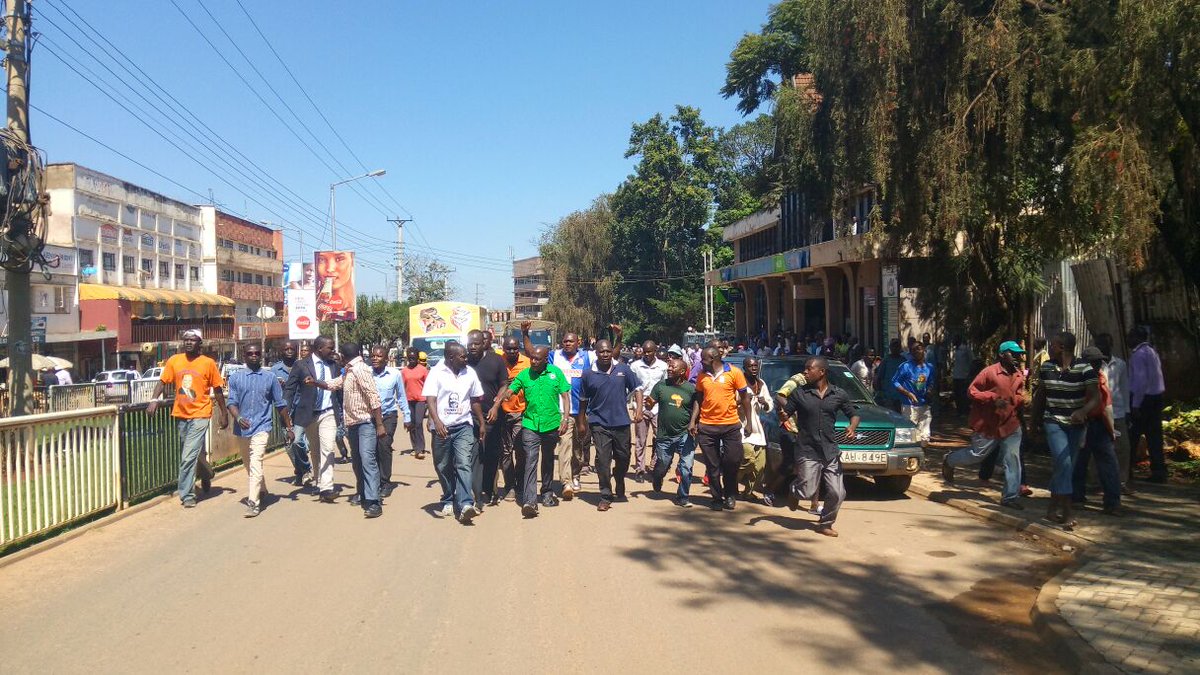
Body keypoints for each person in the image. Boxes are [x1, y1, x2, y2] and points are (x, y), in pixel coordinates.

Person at [527, 321, 622, 500]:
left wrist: (618, 338)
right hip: (561, 412)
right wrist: (525, 334)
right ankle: (566, 482)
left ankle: (576, 474)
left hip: (582, 412)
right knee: (564, 446)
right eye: (565, 341)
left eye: (571, 341)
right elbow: (533, 354)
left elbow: (611, 357)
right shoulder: (554, 356)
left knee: (579, 448)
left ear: (578, 343)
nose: (568, 344)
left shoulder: (587, 357)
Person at [146, 330, 229, 509]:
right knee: (192, 453)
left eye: (193, 340)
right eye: (186, 340)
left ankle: (187, 495)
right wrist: (154, 400)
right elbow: (162, 382)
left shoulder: (208, 363)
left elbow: (218, 389)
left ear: (200, 343)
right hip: (181, 414)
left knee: (187, 456)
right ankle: (206, 473)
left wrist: (224, 413)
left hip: (201, 413)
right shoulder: (174, 361)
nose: (189, 343)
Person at [780, 357, 861, 537]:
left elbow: (854, 414)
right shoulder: (800, 393)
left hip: (830, 450)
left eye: (809, 369)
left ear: (822, 372)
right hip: (807, 449)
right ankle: (794, 491)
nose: (805, 372)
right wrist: (782, 415)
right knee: (807, 490)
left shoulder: (838, 394)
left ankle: (825, 522)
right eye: (805, 369)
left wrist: (852, 427)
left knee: (838, 492)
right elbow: (787, 412)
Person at [941, 341, 1026, 509]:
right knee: (977, 454)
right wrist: (993, 397)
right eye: (1013, 353)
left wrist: (1016, 400)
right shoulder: (989, 372)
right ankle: (949, 460)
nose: (1018, 357)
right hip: (988, 424)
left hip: (1010, 424)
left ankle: (1010, 497)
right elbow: (972, 391)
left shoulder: (1018, 375)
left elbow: (1019, 395)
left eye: (1019, 354)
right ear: (1002, 354)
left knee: (1012, 459)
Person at [488, 345, 571, 517]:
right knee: (530, 460)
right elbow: (512, 389)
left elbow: (565, 396)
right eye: (531, 357)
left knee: (548, 459)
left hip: (551, 424)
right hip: (530, 424)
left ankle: (547, 492)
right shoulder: (525, 374)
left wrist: (565, 419)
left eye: (537, 359)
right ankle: (530, 501)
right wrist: (503, 397)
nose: (533, 361)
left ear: (546, 359)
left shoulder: (556, 373)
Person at [1032, 332, 1101, 530]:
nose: (1049, 348)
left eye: (1052, 344)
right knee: (1063, 463)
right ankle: (1068, 512)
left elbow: (1095, 397)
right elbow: (1041, 395)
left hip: (1076, 424)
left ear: (1061, 347)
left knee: (1065, 467)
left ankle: (1052, 508)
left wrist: (1083, 410)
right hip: (1053, 421)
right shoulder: (1047, 367)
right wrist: (1033, 422)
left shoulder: (1084, 368)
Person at [225, 344, 294, 518]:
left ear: (261, 355)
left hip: (262, 426)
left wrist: (288, 427)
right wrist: (238, 418)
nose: (254, 356)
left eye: (257, 353)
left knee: (256, 461)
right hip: (242, 428)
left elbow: (280, 404)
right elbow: (231, 402)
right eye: (250, 353)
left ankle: (253, 502)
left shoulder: (270, 378)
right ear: (244, 355)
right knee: (248, 464)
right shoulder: (235, 378)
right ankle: (262, 489)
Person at [422, 342, 486, 523]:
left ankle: (466, 503)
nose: (466, 359)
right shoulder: (436, 372)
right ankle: (448, 497)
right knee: (442, 466)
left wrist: (481, 422)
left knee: (463, 463)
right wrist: (437, 421)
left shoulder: (470, 373)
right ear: (451, 357)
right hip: (442, 429)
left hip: (463, 426)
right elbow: (431, 400)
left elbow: (474, 400)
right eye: (463, 356)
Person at [577, 339, 642, 512]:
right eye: (601, 352)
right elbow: (583, 401)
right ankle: (605, 495)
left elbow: (637, 389)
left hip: (621, 422)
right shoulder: (588, 374)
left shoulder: (623, 369)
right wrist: (581, 423)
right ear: (596, 353)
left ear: (612, 352)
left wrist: (639, 409)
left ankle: (619, 477)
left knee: (624, 457)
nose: (605, 354)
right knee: (603, 460)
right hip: (599, 423)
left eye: (608, 351)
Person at [689, 346, 751, 511]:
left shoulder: (734, 372)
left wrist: (749, 423)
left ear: (713, 358)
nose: (700, 362)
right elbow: (698, 399)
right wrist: (693, 421)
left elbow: (745, 398)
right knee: (712, 465)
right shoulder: (702, 376)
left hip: (730, 425)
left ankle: (730, 493)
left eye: (703, 359)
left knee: (732, 461)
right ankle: (717, 497)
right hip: (707, 427)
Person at [283, 335, 340, 504]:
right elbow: (290, 390)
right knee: (315, 450)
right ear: (320, 348)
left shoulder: (334, 366)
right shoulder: (301, 365)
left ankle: (327, 487)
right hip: (308, 414)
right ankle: (318, 480)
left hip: (328, 412)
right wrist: (285, 415)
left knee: (328, 448)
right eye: (330, 347)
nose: (333, 351)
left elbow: (339, 390)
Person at [1073, 346, 1122, 516]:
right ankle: (1112, 503)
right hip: (1095, 425)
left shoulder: (1076, 376)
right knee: (1107, 464)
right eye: (1096, 361)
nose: (1098, 364)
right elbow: (1106, 408)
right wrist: (1111, 430)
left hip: (1082, 425)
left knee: (1080, 462)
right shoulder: (1100, 378)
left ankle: (1077, 498)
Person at [466, 330, 509, 507]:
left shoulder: (496, 360)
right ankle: (475, 492)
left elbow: (504, 384)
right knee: (473, 455)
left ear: (485, 343)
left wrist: (496, 405)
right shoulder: (463, 362)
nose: (474, 347)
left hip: (491, 416)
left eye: (478, 343)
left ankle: (490, 490)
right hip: (468, 417)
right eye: (471, 344)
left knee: (491, 455)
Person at [647, 357, 698, 508]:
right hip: (665, 435)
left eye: (672, 367)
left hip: (685, 434)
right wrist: (648, 404)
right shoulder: (661, 386)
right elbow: (650, 403)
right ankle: (657, 478)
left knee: (686, 467)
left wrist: (693, 423)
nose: (669, 369)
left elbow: (697, 406)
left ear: (682, 372)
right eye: (669, 367)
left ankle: (683, 496)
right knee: (662, 465)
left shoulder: (691, 389)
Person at [368, 345, 412, 498]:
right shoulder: (366, 373)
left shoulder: (394, 374)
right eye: (373, 356)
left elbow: (401, 396)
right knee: (371, 450)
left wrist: (407, 417)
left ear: (386, 359)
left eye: (379, 356)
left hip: (388, 416)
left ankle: (385, 482)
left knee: (384, 446)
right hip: (369, 417)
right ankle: (374, 482)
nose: (375, 358)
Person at [494, 337, 533, 504]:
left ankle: (520, 484)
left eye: (515, 348)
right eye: (508, 349)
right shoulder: (498, 361)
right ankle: (509, 485)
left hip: (520, 413)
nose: (512, 352)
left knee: (521, 450)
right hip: (502, 414)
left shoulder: (527, 362)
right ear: (503, 349)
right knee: (505, 452)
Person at [1127, 326, 1167, 483]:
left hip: (1144, 399)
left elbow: (1140, 381)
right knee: (1155, 436)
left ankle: (1127, 469)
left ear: (1137, 337)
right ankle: (1159, 471)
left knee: (1133, 435)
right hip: (1156, 397)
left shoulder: (1139, 355)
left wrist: (1136, 404)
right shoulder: (1152, 352)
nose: (1128, 339)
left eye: (1130, 336)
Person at [1095, 333, 1134, 495]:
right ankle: (1098, 482)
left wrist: (1127, 411)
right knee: (1099, 449)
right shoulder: (1094, 364)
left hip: (1118, 412)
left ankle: (1122, 481)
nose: (1101, 347)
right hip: (1099, 413)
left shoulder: (1120, 364)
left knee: (1123, 448)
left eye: (1104, 344)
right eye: (1099, 344)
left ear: (1110, 346)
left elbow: (1124, 388)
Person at [271, 341, 312, 486]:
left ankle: (306, 469)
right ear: (281, 351)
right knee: (289, 445)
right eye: (286, 348)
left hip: (301, 409)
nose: (289, 351)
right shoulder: (274, 370)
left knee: (299, 441)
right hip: (284, 412)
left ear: (297, 350)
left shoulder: (304, 366)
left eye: (291, 349)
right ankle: (300, 471)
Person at [629, 339, 669, 482]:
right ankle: (640, 469)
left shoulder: (663, 366)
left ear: (655, 351)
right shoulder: (635, 366)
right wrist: (634, 406)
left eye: (650, 352)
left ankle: (654, 466)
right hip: (641, 407)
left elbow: (666, 386)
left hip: (658, 407)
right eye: (645, 352)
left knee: (660, 438)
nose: (647, 354)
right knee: (641, 439)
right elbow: (632, 387)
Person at [738, 356, 773, 502]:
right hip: (742, 428)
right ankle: (730, 480)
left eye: (756, 366)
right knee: (748, 459)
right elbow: (730, 403)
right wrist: (742, 400)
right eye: (750, 366)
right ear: (744, 368)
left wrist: (764, 403)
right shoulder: (739, 384)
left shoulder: (761, 383)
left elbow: (769, 406)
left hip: (758, 430)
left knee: (760, 466)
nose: (754, 368)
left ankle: (748, 492)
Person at [893, 341, 933, 443]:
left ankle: (923, 455)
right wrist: (908, 394)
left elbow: (931, 383)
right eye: (913, 350)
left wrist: (929, 391)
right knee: (911, 435)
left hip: (924, 405)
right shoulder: (905, 366)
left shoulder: (930, 367)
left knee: (925, 436)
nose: (916, 352)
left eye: (918, 348)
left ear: (924, 350)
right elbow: (895, 382)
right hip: (909, 406)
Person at [401, 348, 430, 460]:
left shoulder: (423, 370)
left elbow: (428, 385)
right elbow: (401, 387)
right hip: (408, 400)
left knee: (418, 422)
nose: (412, 360)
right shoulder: (404, 371)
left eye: (414, 358)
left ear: (417, 358)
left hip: (420, 400)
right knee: (411, 424)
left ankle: (421, 448)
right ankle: (415, 447)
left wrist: (428, 400)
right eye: (410, 358)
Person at [314, 251, 355, 321]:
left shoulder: (352, 311)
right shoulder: (316, 304)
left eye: (339, 259)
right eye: (322, 260)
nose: (330, 269)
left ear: (352, 262)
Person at [875, 339, 907, 412]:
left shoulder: (904, 361)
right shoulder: (886, 360)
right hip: (888, 397)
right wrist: (880, 392)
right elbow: (879, 377)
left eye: (897, 346)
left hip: (901, 396)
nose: (895, 348)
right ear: (890, 347)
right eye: (893, 346)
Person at [950, 336, 973, 416]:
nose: (953, 342)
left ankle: (964, 411)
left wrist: (969, 374)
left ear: (959, 340)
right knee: (957, 395)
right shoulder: (955, 351)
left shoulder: (966, 349)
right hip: (956, 375)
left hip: (964, 376)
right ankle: (959, 411)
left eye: (954, 340)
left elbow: (971, 361)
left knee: (963, 395)